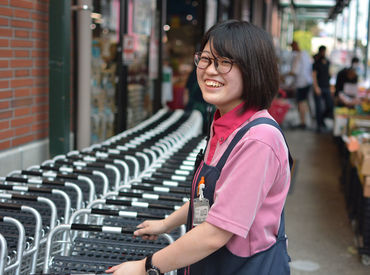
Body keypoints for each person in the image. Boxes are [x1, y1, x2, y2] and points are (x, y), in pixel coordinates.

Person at [106, 20, 292, 275]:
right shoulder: (224, 123)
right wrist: (166, 224)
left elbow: (215, 233)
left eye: (224, 62)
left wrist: (145, 267)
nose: (210, 70)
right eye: (205, 59)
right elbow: (211, 197)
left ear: (253, 69)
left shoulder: (258, 140)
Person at [289, 41, 313, 129]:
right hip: (307, 81)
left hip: (301, 83)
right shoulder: (305, 54)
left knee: (301, 102)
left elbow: (294, 71)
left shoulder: (298, 56)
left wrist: (284, 75)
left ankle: (303, 122)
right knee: (304, 102)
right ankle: (305, 121)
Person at [312, 45, 334, 133]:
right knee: (319, 107)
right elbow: (314, 75)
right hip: (319, 87)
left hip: (327, 86)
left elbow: (329, 73)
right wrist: (316, 87)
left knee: (330, 105)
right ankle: (319, 125)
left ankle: (322, 120)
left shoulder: (328, 62)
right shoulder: (316, 63)